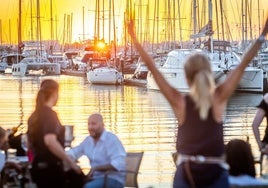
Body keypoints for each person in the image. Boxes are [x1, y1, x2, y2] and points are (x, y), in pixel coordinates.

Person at [127, 16, 268, 188]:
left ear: (186, 78)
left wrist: (134, 37)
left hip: (186, 175)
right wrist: (262, 34)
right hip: (215, 174)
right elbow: (243, 63)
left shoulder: (180, 102)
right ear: (209, 74)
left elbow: (153, 68)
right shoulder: (218, 98)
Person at [27, 79, 82, 188]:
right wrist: (70, 161)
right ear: (54, 93)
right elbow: (50, 141)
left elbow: (29, 144)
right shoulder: (50, 115)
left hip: (37, 168)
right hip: (51, 169)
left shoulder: (33, 116)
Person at [67, 113, 126, 188]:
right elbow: (73, 152)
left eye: (94, 124)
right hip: (94, 178)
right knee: (68, 183)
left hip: (112, 179)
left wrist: (96, 168)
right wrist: (68, 158)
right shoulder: (88, 141)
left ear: (102, 125)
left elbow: (118, 164)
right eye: (89, 124)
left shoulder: (111, 139)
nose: (90, 127)